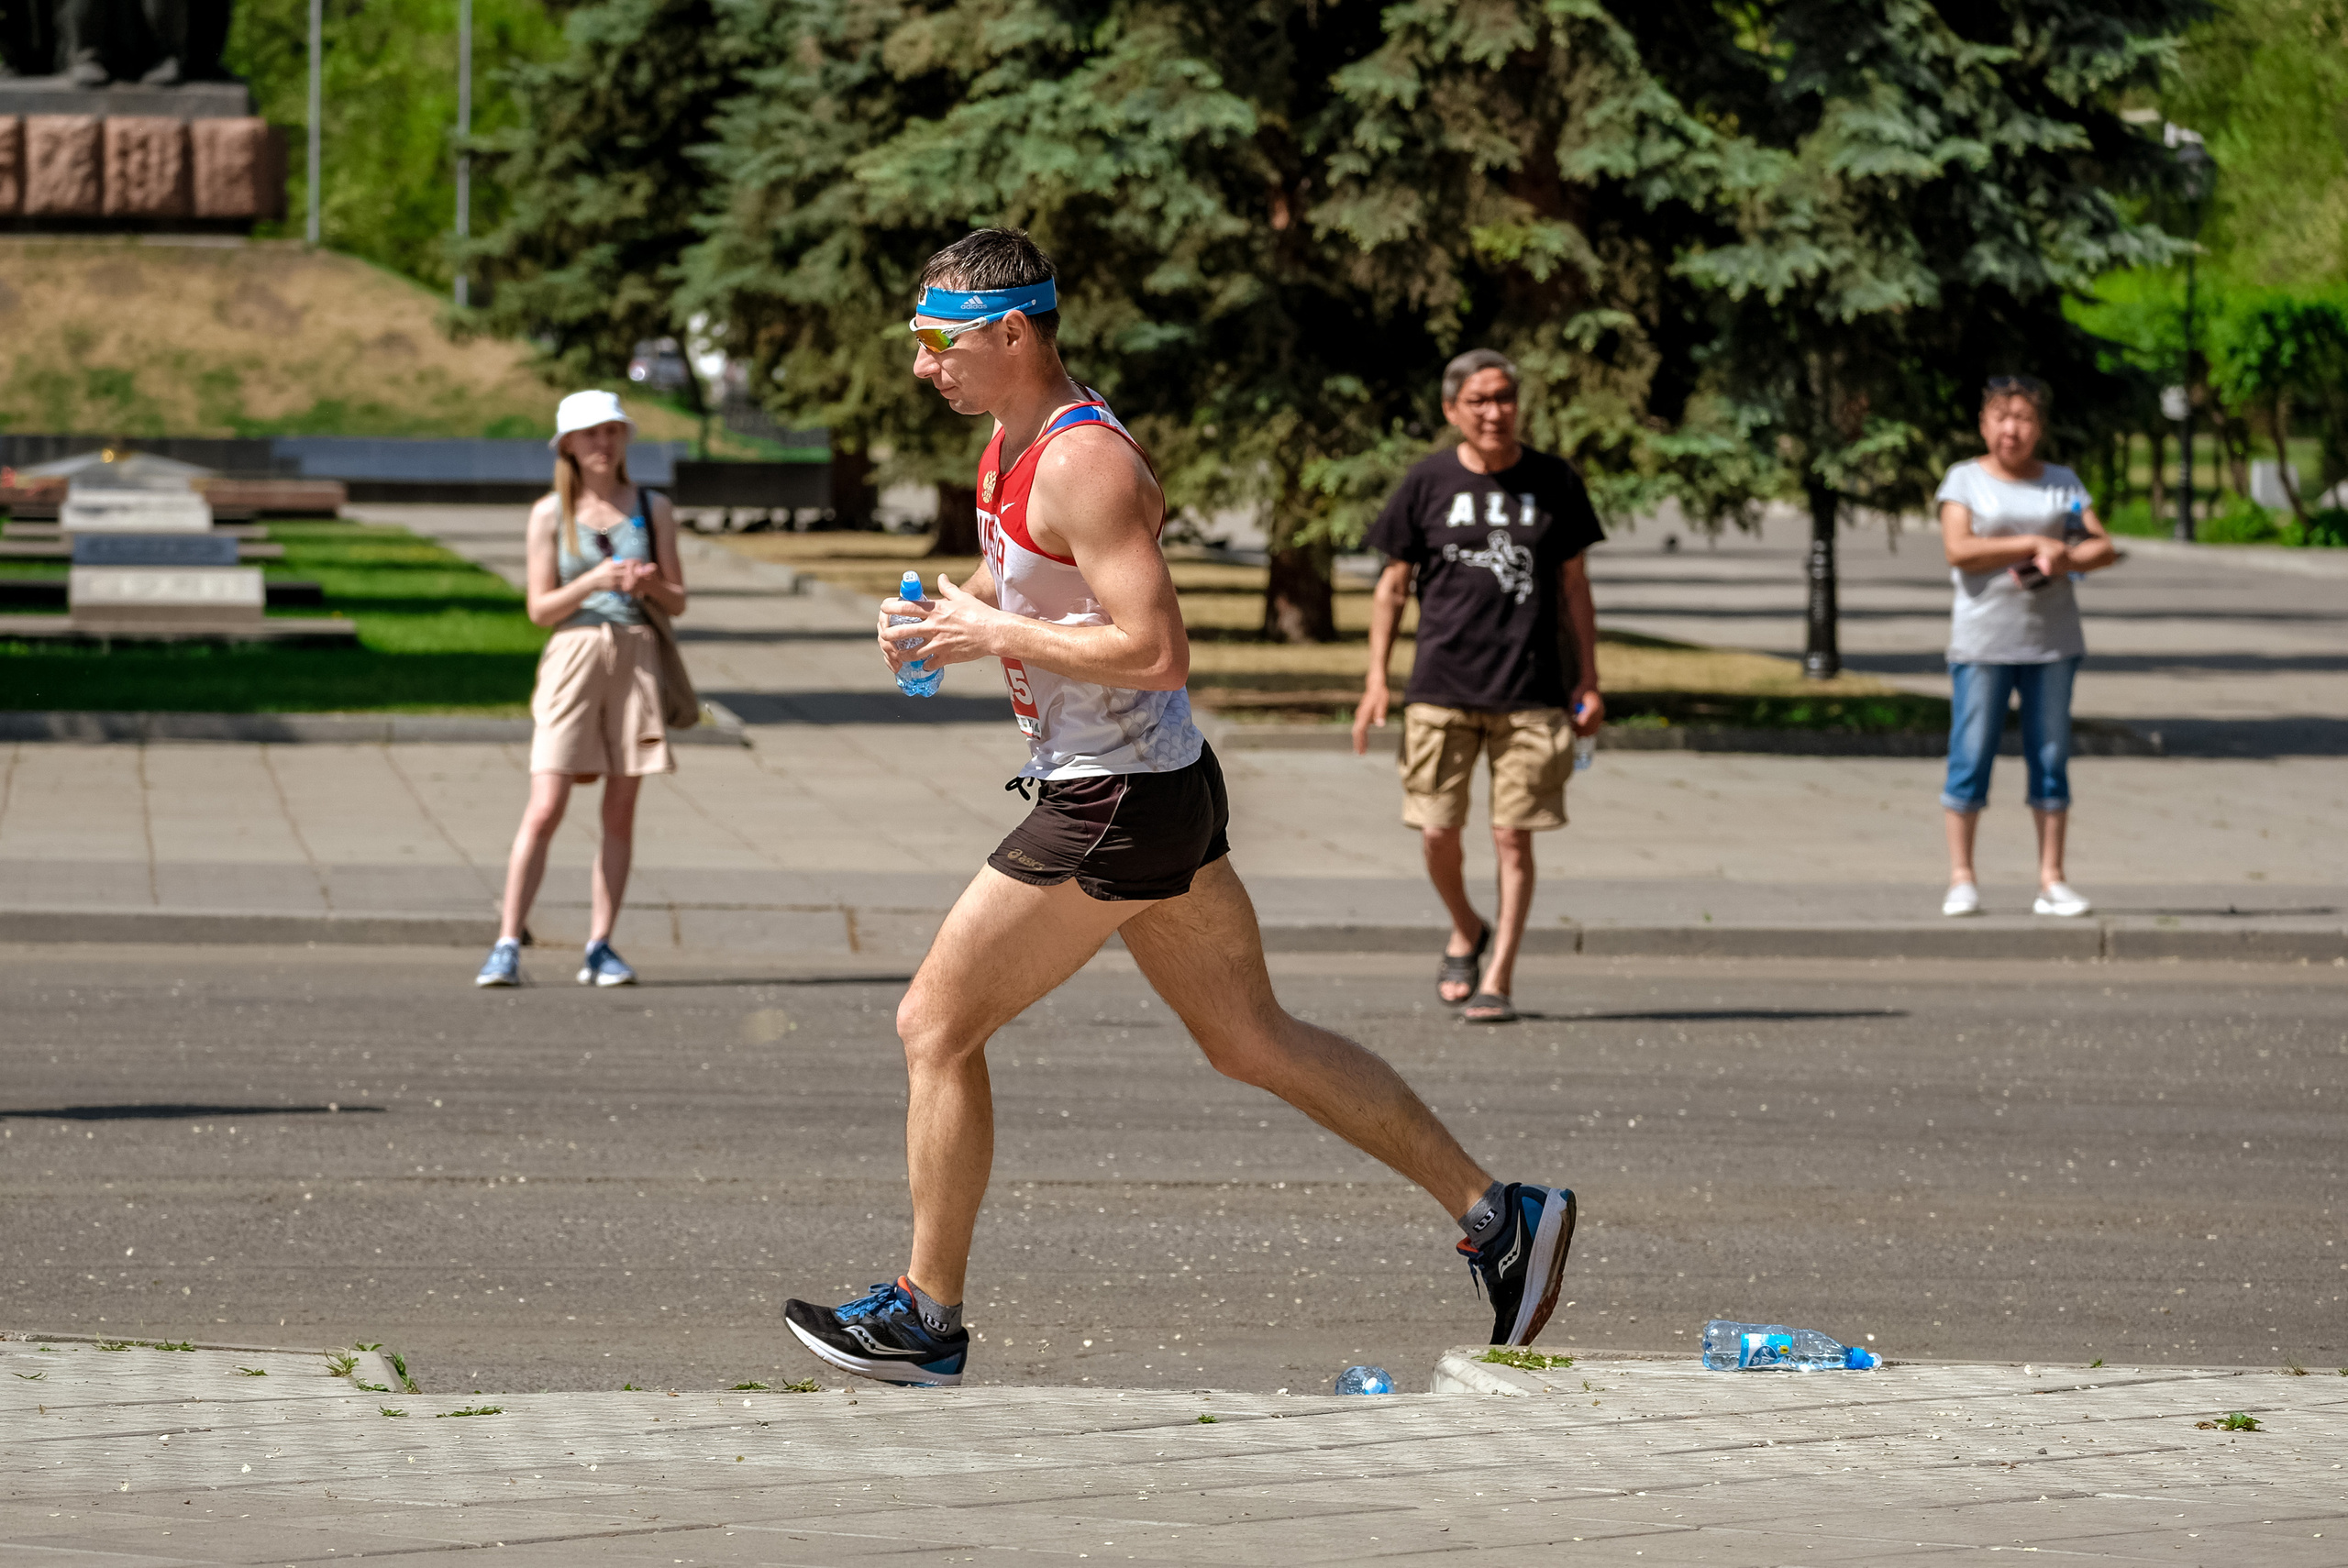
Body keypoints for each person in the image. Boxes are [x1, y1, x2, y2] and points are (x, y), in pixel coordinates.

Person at [780, 229, 1577, 1388]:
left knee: (933, 1026)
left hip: (1114, 796)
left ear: (1014, 333)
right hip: (1151, 788)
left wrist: (990, 632)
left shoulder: (1081, 460)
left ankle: (926, 1316)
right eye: (916, 343)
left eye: (938, 343)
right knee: (1252, 1039)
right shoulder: (1008, 447)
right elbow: (1043, 598)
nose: (920, 367)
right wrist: (947, 625)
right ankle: (1500, 1215)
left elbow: (1154, 647)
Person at [1350, 350, 1605, 1024]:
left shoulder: (1554, 481)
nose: (1494, 411)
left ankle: (1499, 978)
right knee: (1436, 831)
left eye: (1505, 398)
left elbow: (1576, 588)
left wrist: (1590, 678)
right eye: (1480, 400)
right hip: (1441, 687)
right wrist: (1377, 680)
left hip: (1532, 691)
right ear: (1452, 410)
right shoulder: (1427, 482)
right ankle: (1467, 925)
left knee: (1513, 838)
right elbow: (1393, 588)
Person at [474, 390, 688, 987]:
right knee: (546, 806)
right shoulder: (550, 513)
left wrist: (646, 584)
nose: (604, 444)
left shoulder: (653, 506)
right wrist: (594, 578)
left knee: (620, 811)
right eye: (591, 434)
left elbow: (679, 599)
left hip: (636, 656)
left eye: (613, 432)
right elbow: (540, 609)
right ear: (567, 443)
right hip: (572, 654)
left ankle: (601, 944)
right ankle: (507, 941)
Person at [1933, 375, 2116, 919]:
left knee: (2051, 758)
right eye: (2000, 417)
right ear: (1983, 423)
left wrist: (2068, 559)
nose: (2011, 429)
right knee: (1970, 757)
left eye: (2023, 418)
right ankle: (1962, 878)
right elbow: (1958, 549)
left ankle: (2051, 879)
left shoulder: (2062, 482)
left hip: (2051, 643)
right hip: (1982, 643)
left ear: (2039, 427)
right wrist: (2033, 542)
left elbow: (2102, 545)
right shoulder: (1963, 480)